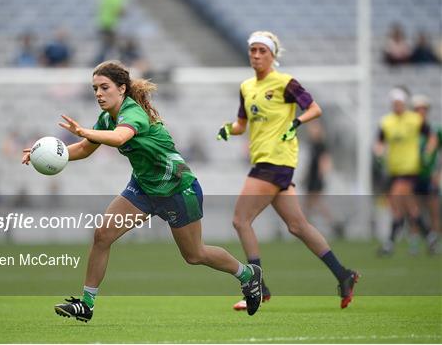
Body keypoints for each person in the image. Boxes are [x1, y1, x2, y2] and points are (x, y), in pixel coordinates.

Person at [21, 61, 264, 322]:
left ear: (122, 89)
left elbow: (119, 138)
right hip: (144, 189)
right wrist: (47, 155)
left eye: (104, 87)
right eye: (95, 89)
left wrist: (84, 131)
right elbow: (83, 148)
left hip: (178, 190)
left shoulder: (133, 113)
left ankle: (248, 275)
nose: (99, 94)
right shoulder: (106, 118)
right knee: (102, 235)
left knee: (195, 255)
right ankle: (86, 304)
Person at [217, 31, 359, 311]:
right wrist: (227, 130)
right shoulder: (246, 87)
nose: (256, 55)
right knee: (297, 226)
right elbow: (241, 125)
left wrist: (297, 122)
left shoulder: (285, 83)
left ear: (273, 55)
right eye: (253, 50)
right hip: (267, 163)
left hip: (276, 162)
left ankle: (257, 288)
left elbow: (314, 108)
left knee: (240, 220)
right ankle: (344, 274)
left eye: (262, 51)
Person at [374, 87, 437, 256]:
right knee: (409, 208)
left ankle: (389, 243)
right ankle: (430, 237)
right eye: (394, 103)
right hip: (394, 170)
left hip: (409, 170)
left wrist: (427, 152)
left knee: (396, 201)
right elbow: (379, 142)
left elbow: (431, 136)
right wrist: (379, 153)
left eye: (399, 103)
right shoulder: (386, 122)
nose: (397, 106)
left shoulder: (414, 119)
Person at [303, 121, 345, 239]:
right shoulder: (312, 144)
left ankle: (333, 225)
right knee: (309, 205)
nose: (311, 131)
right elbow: (310, 163)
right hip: (311, 178)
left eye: (313, 129)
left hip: (316, 178)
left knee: (315, 204)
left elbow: (325, 161)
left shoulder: (321, 145)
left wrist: (322, 176)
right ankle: (308, 229)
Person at [411, 95, 440, 253]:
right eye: (417, 109)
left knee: (433, 210)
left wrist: (438, 173)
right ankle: (415, 243)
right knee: (415, 210)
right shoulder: (410, 130)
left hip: (430, 176)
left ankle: (433, 242)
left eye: (423, 109)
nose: (420, 112)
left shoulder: (434, 130)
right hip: (413, 175)